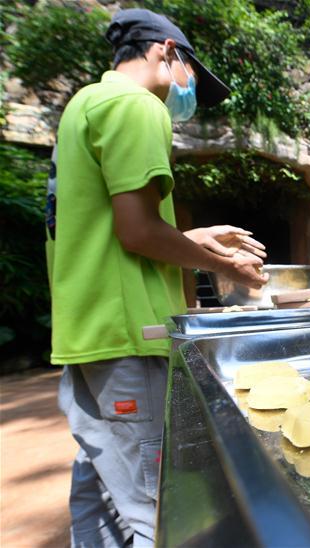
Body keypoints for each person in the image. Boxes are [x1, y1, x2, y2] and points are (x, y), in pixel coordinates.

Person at [48, 9, 268, 547]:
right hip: (130, 339)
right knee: (159, 509)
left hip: (88, 335)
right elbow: (138, 233)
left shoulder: (86, 103)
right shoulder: (137, 106)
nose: (186, 92)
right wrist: (227, 267)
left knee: (100, 500)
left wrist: (199, 236)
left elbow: (108, 228)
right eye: (191, 74)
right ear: (167, 52)